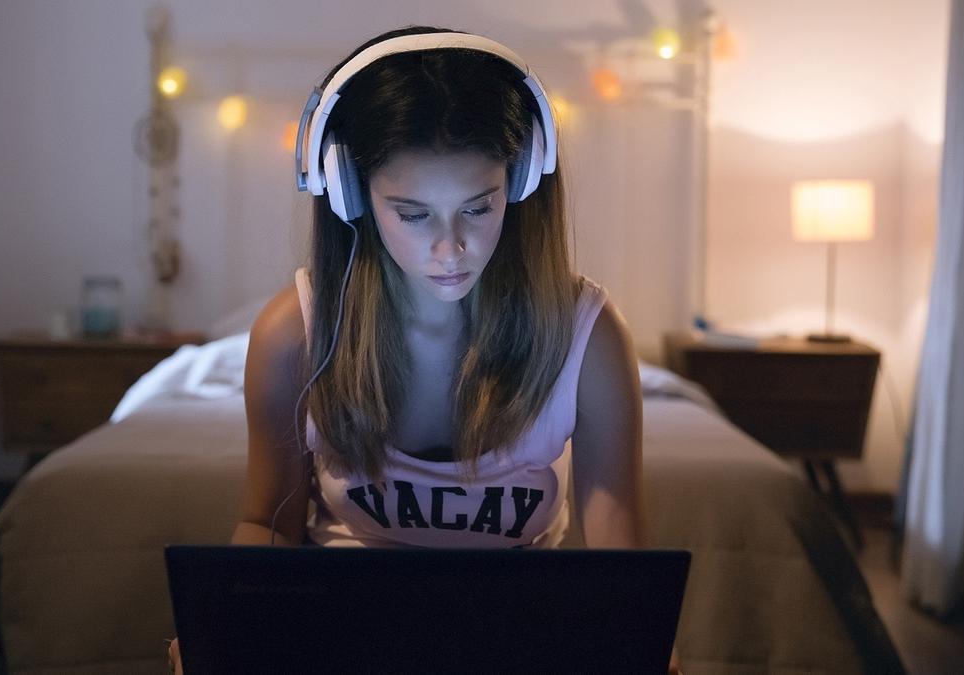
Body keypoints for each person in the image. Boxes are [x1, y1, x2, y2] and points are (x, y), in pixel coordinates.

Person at [170, 25, 679, 674]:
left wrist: (650, 648)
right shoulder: (293, 334)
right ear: (351, 194)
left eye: (479, 207)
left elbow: (621, 566)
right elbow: (267, 522)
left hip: (518, 644)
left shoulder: (591, 336)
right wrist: (221, 628)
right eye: (412, 213)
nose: (449, 247)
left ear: (520, 184)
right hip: (336, 643)